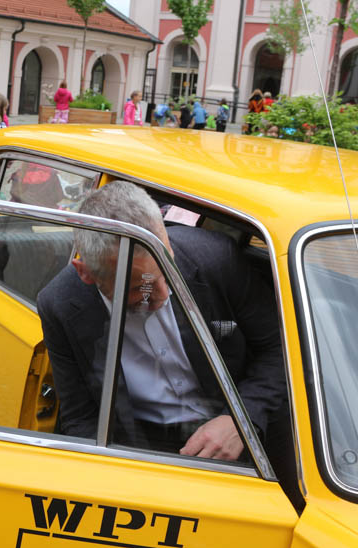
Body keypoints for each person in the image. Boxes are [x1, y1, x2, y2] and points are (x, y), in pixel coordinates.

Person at [36, 181, 287, 461]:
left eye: (167, 269)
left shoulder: (216, 258)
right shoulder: (60, 305)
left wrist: (243, 422)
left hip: (246, 428)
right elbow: (81, 418)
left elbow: (282, 349)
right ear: (86, 274)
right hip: (139, 445)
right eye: (138, 287)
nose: (163, 293)